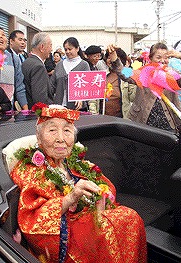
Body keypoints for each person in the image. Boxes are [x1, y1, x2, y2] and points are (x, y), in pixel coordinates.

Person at [10, 103, 147, 262]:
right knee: (108, 229)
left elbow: (106, 188)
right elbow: (31, 217)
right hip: (65, 232)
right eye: (52, 130)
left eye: (67, 130)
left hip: (90, 217)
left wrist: (100, 196)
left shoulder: (74, 162)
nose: (60, 138)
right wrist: (70, 198)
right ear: (39, 137)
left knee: (130, 218)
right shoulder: (30, 168)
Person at [108, 42, 181, 132]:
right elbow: (123, 72)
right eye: (158, 57)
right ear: (150, 58)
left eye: (166, 58)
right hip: (144, 123)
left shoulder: (171, 75)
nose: (162, 61)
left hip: (169, 125)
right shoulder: (143, 74)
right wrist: (114, 56)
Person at [51, 37, 90, 110]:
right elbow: (52, 85)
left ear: (77, 48)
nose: (67, 52)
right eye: (66, 49)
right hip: (59, 106)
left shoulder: (84, 65)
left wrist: (82, 98)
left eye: (70, 49)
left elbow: (88, 86)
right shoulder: (60, 64)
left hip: (77, 107)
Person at [21, 32, 54, 108]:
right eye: (50, 45)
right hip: (36, 115)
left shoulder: (27, 62)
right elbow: (40, 99)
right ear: (42, 47)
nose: (51, 49)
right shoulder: (38, 67)